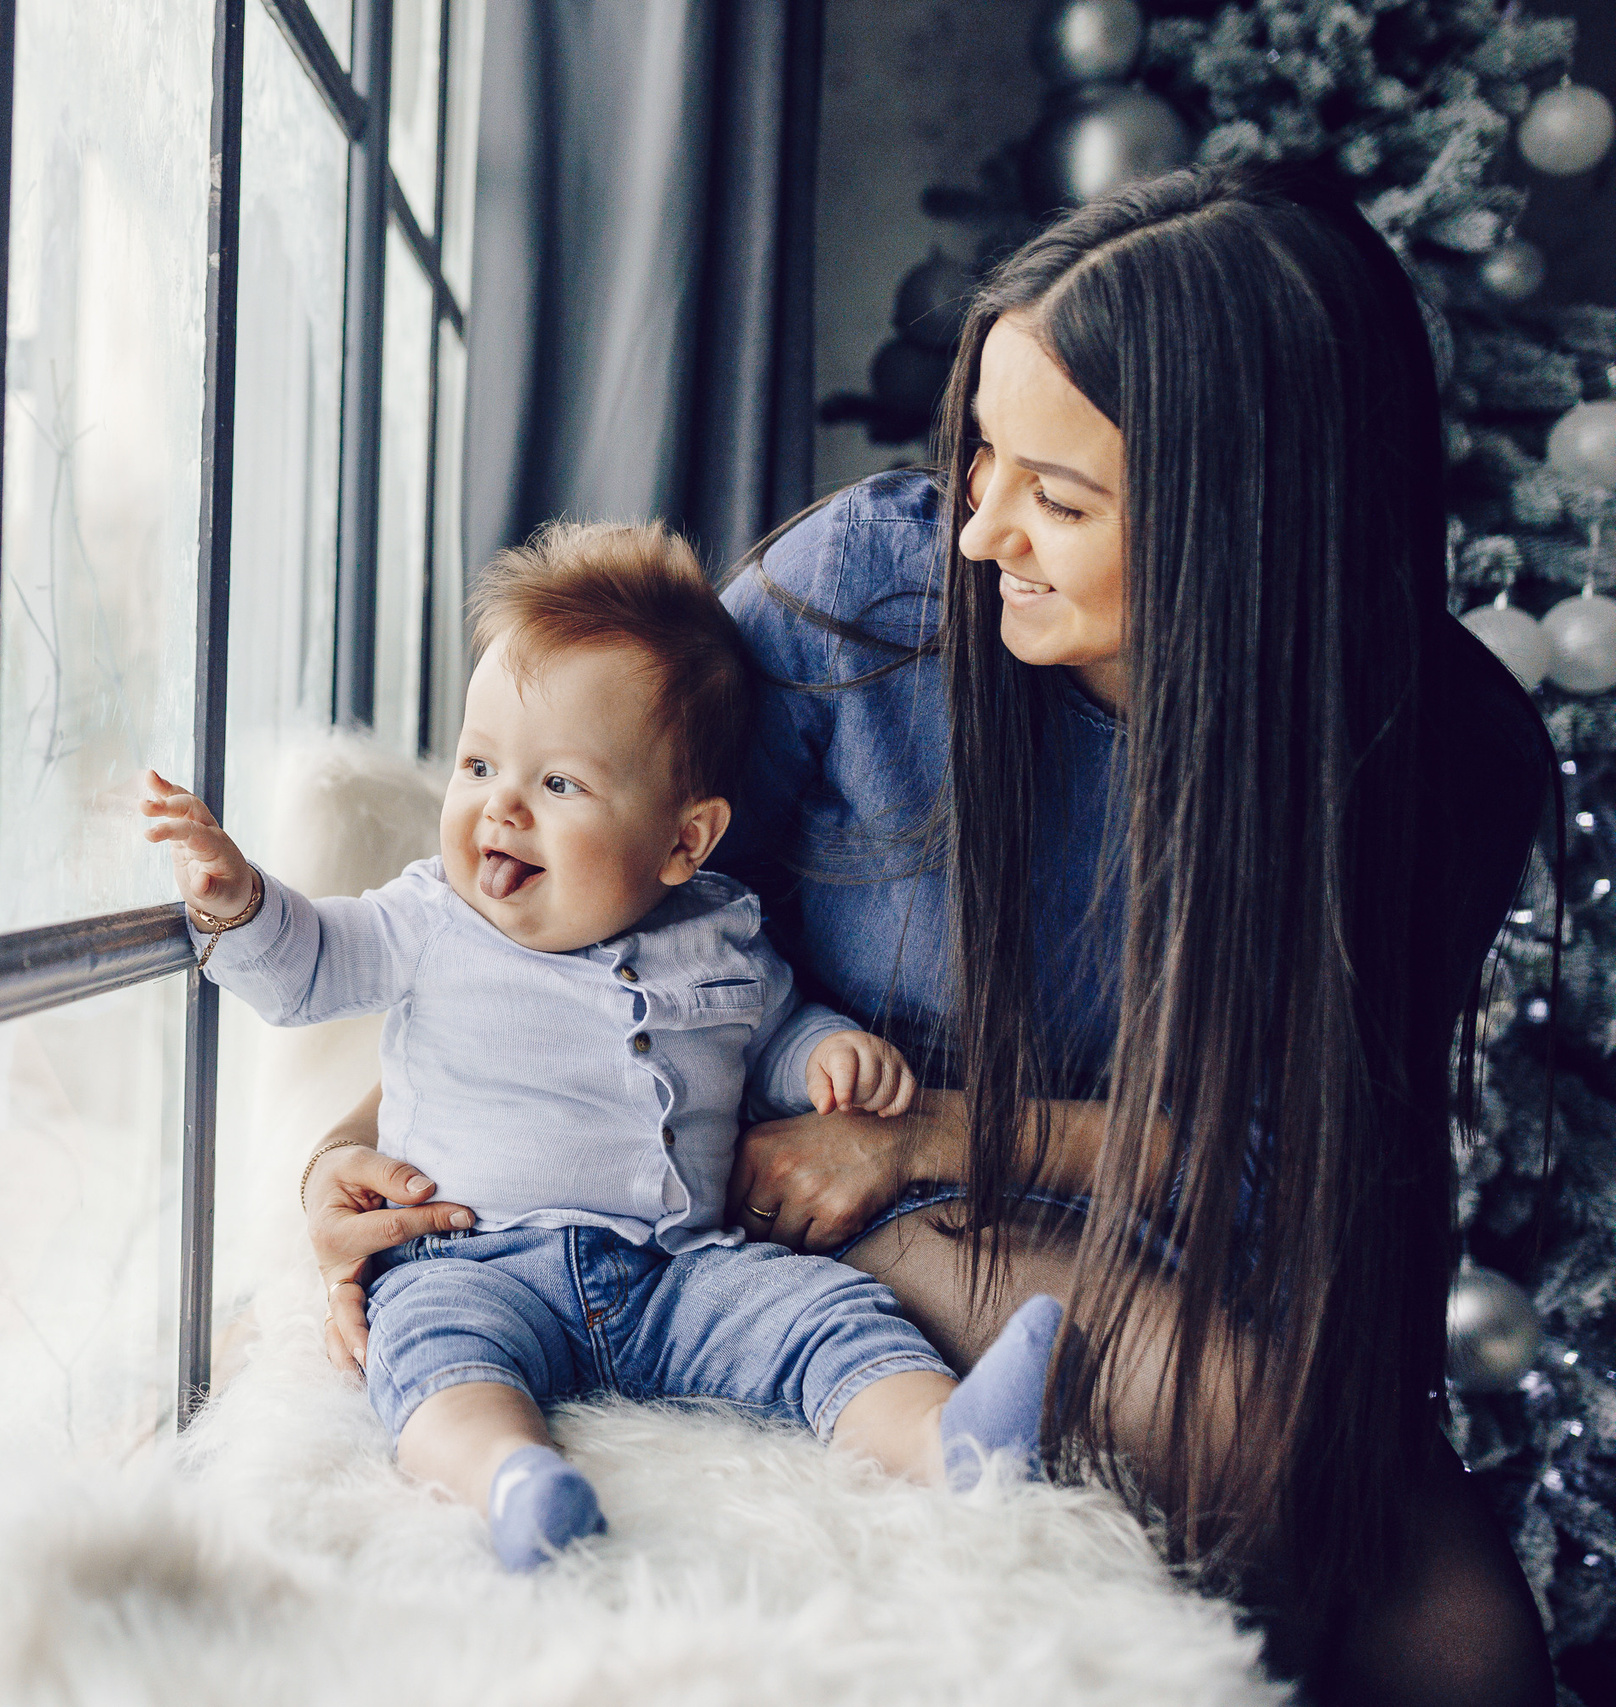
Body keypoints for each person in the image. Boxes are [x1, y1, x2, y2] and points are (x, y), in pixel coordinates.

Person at [298, 163, 1557, 1704]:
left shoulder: (1440, 761)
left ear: (1252, 524)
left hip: (1138, 1188)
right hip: (803, 1181)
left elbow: (1302, 1150)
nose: (979, 531)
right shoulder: (859, 603)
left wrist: (942, 1129)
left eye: (1059, 498)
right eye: (981, 458)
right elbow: (585, 914)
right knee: (1241, 1432)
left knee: (1477, 1646)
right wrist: (365, 1152)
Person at [141, 523, 1064, 1572]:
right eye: (479, 763)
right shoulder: (429, 920)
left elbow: (770, 1027)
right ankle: (512, 1483)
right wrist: (238, 902)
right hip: (476, 1259)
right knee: (436, 1363)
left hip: (679, 1273)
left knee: (826, 1313)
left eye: (558, 786)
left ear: (684, 840)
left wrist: (827, 1054)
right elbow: (303, 966)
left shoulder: (718, 931)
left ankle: (946, 1443)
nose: (499, 805)